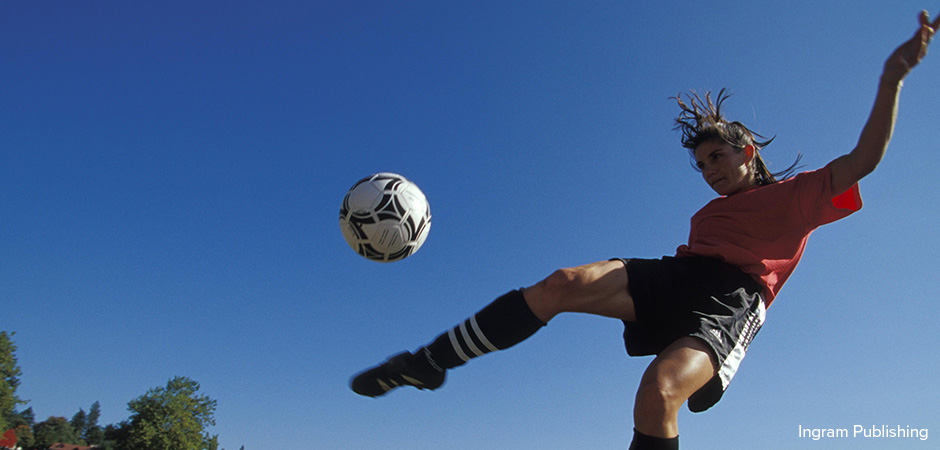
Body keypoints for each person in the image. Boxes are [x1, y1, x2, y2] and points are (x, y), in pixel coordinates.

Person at [350, 11, 939, 450]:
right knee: (561, 282)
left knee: (656, 394)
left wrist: (893, 77)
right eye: (701, 165)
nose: (708, 172)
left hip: (729, 302)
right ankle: (428, 362)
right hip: (678, 273)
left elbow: (864, 159)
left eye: (717, 159)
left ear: (747, 152)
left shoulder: (797, 197)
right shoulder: (706, 216)